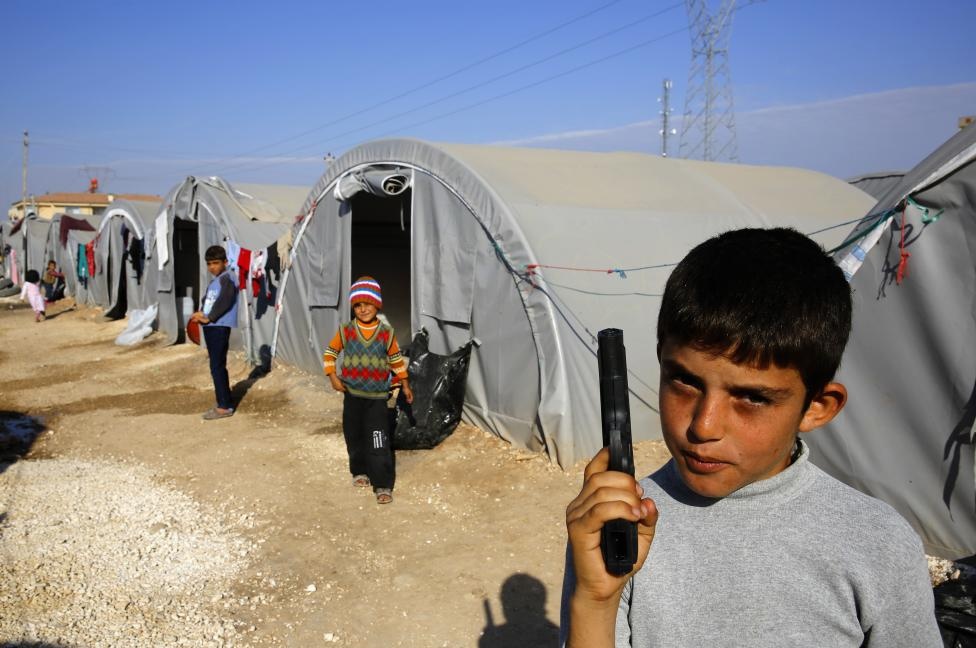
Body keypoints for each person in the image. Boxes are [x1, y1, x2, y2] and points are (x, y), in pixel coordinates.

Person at [561, 228, 941, 647]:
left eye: (752, 398)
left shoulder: (877, 542)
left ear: (817, 407)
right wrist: (595, 601)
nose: (704, 426)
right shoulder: (619, 525)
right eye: (685, 381)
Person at [323, 276, 413, 504]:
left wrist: (404, 383)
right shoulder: (346, 331)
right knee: (354, 436)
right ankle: (359, 471)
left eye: (368, 304)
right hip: (352, 395)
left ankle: (382, 484)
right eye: (358, 305)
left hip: (377, 398)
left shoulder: (386, 333)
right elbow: (330, 353)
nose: (363, 309)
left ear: (377, 305)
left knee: (377, 438)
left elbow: (396, 360)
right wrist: (332, 376)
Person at [191, 245, 238, 421]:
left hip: (219, 326)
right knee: (216, 365)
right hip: (212, 326)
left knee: (217, 366)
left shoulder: (228, 278)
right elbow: (208, 301)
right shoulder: (215, 281)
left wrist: (209, 318)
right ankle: (225, 400)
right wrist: (200, 313)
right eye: (209, 263)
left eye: (216, 263)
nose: (212, 267)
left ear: (225, 262)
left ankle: (224, 406)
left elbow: (225, 301)